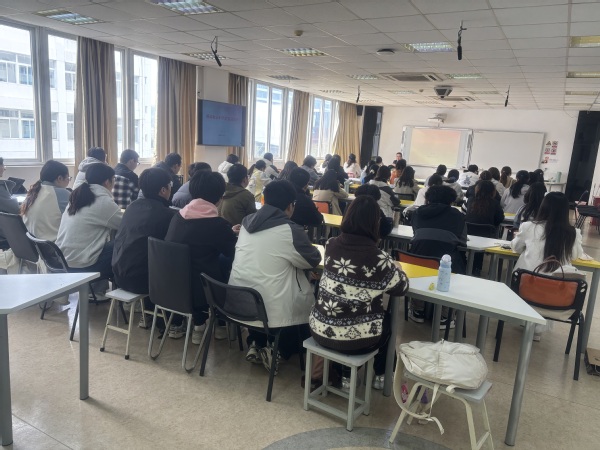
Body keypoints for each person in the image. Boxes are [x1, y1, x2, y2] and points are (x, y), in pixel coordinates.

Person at [309, 196, 408, 389]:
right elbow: (401, 288)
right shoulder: (379, 258)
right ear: (376, 224)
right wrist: (397, 268)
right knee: (386, 322)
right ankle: (381, 376)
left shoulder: (331, 244)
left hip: (319, 331)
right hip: (357, 342)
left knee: (345, 313)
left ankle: (345, 375)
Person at [229, 180, 321, 373]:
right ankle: (276, 351)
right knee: (303, 323)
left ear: (264, 200)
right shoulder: (290, 230)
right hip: (270, 308)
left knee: (264, 281)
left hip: (240, 301)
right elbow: (312, 259)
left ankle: (257, 343)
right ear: (290, 206)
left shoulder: (246, 222)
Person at [165, 172, 238, 342]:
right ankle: (220, 323)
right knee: (227, 264)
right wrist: (229, 233)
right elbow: (233, 252)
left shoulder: (178, 217)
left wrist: (227, 231)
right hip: (202, 291)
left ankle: (199, 324)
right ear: (220, 198)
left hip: (172, 287)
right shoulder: (217, 225)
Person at [511, 192, 584, 340]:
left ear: (543, 207)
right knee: (551, 280)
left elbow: (516, 248)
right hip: (557, 296)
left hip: (525, 290)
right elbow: (575, 255)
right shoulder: (573, 233)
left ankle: (529, 321)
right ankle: (538, 327)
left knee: (525, 268)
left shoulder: (529, 227)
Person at [111, 168, 176, 327]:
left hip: (119, 276)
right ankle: (173, 323)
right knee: (176, 263)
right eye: (170, 185)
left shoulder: (132, 207)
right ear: (163, 190)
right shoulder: (167, 215)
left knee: (146, 256)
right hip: (144, 282)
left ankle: (148, 315)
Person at [56, 164, 123, 298]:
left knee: (112, 243)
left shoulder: (78, 196)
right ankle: (126, 296)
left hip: (63, 262)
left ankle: (101, 291)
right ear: (107, 182)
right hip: (83, 267)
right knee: (125, 243)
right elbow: (127, 225)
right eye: (113, 179)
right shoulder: (103, 201)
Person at [410, 185, 467, 326]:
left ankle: (418, 309)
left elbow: (417, 234)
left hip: (417, 261)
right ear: (451, 201)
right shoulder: (458, 216)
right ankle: (445, 315)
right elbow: (462, 243)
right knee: (459, 263)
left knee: (422, 258)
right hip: (445, 262)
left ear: (428, 198)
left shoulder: (417, 213)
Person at [21, 160, 71, 241]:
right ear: (60, 178)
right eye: (68, 178)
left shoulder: (34, 191)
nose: (68, 181)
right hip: (53, 245)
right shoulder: (62, 193)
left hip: (33, 244)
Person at [465, 180, 505, 276]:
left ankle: (464, 265)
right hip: (486, 236)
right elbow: (499, 219)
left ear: (477, 189)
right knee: (481, 241)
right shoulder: (495, 204)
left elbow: (462, 216)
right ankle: (477, 269)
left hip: (467, 235)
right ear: (493, 191)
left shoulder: (469, 201)